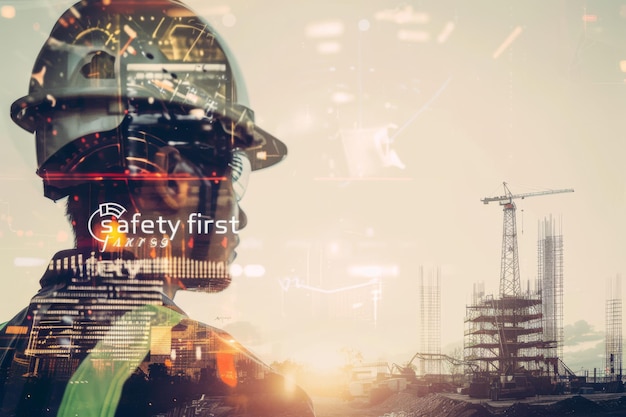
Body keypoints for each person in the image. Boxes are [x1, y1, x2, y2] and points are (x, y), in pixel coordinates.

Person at [0, 0, 314, 416]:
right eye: (230, 170)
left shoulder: (10, 352)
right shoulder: (250, 396)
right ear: (170, 175)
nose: (239, 215)